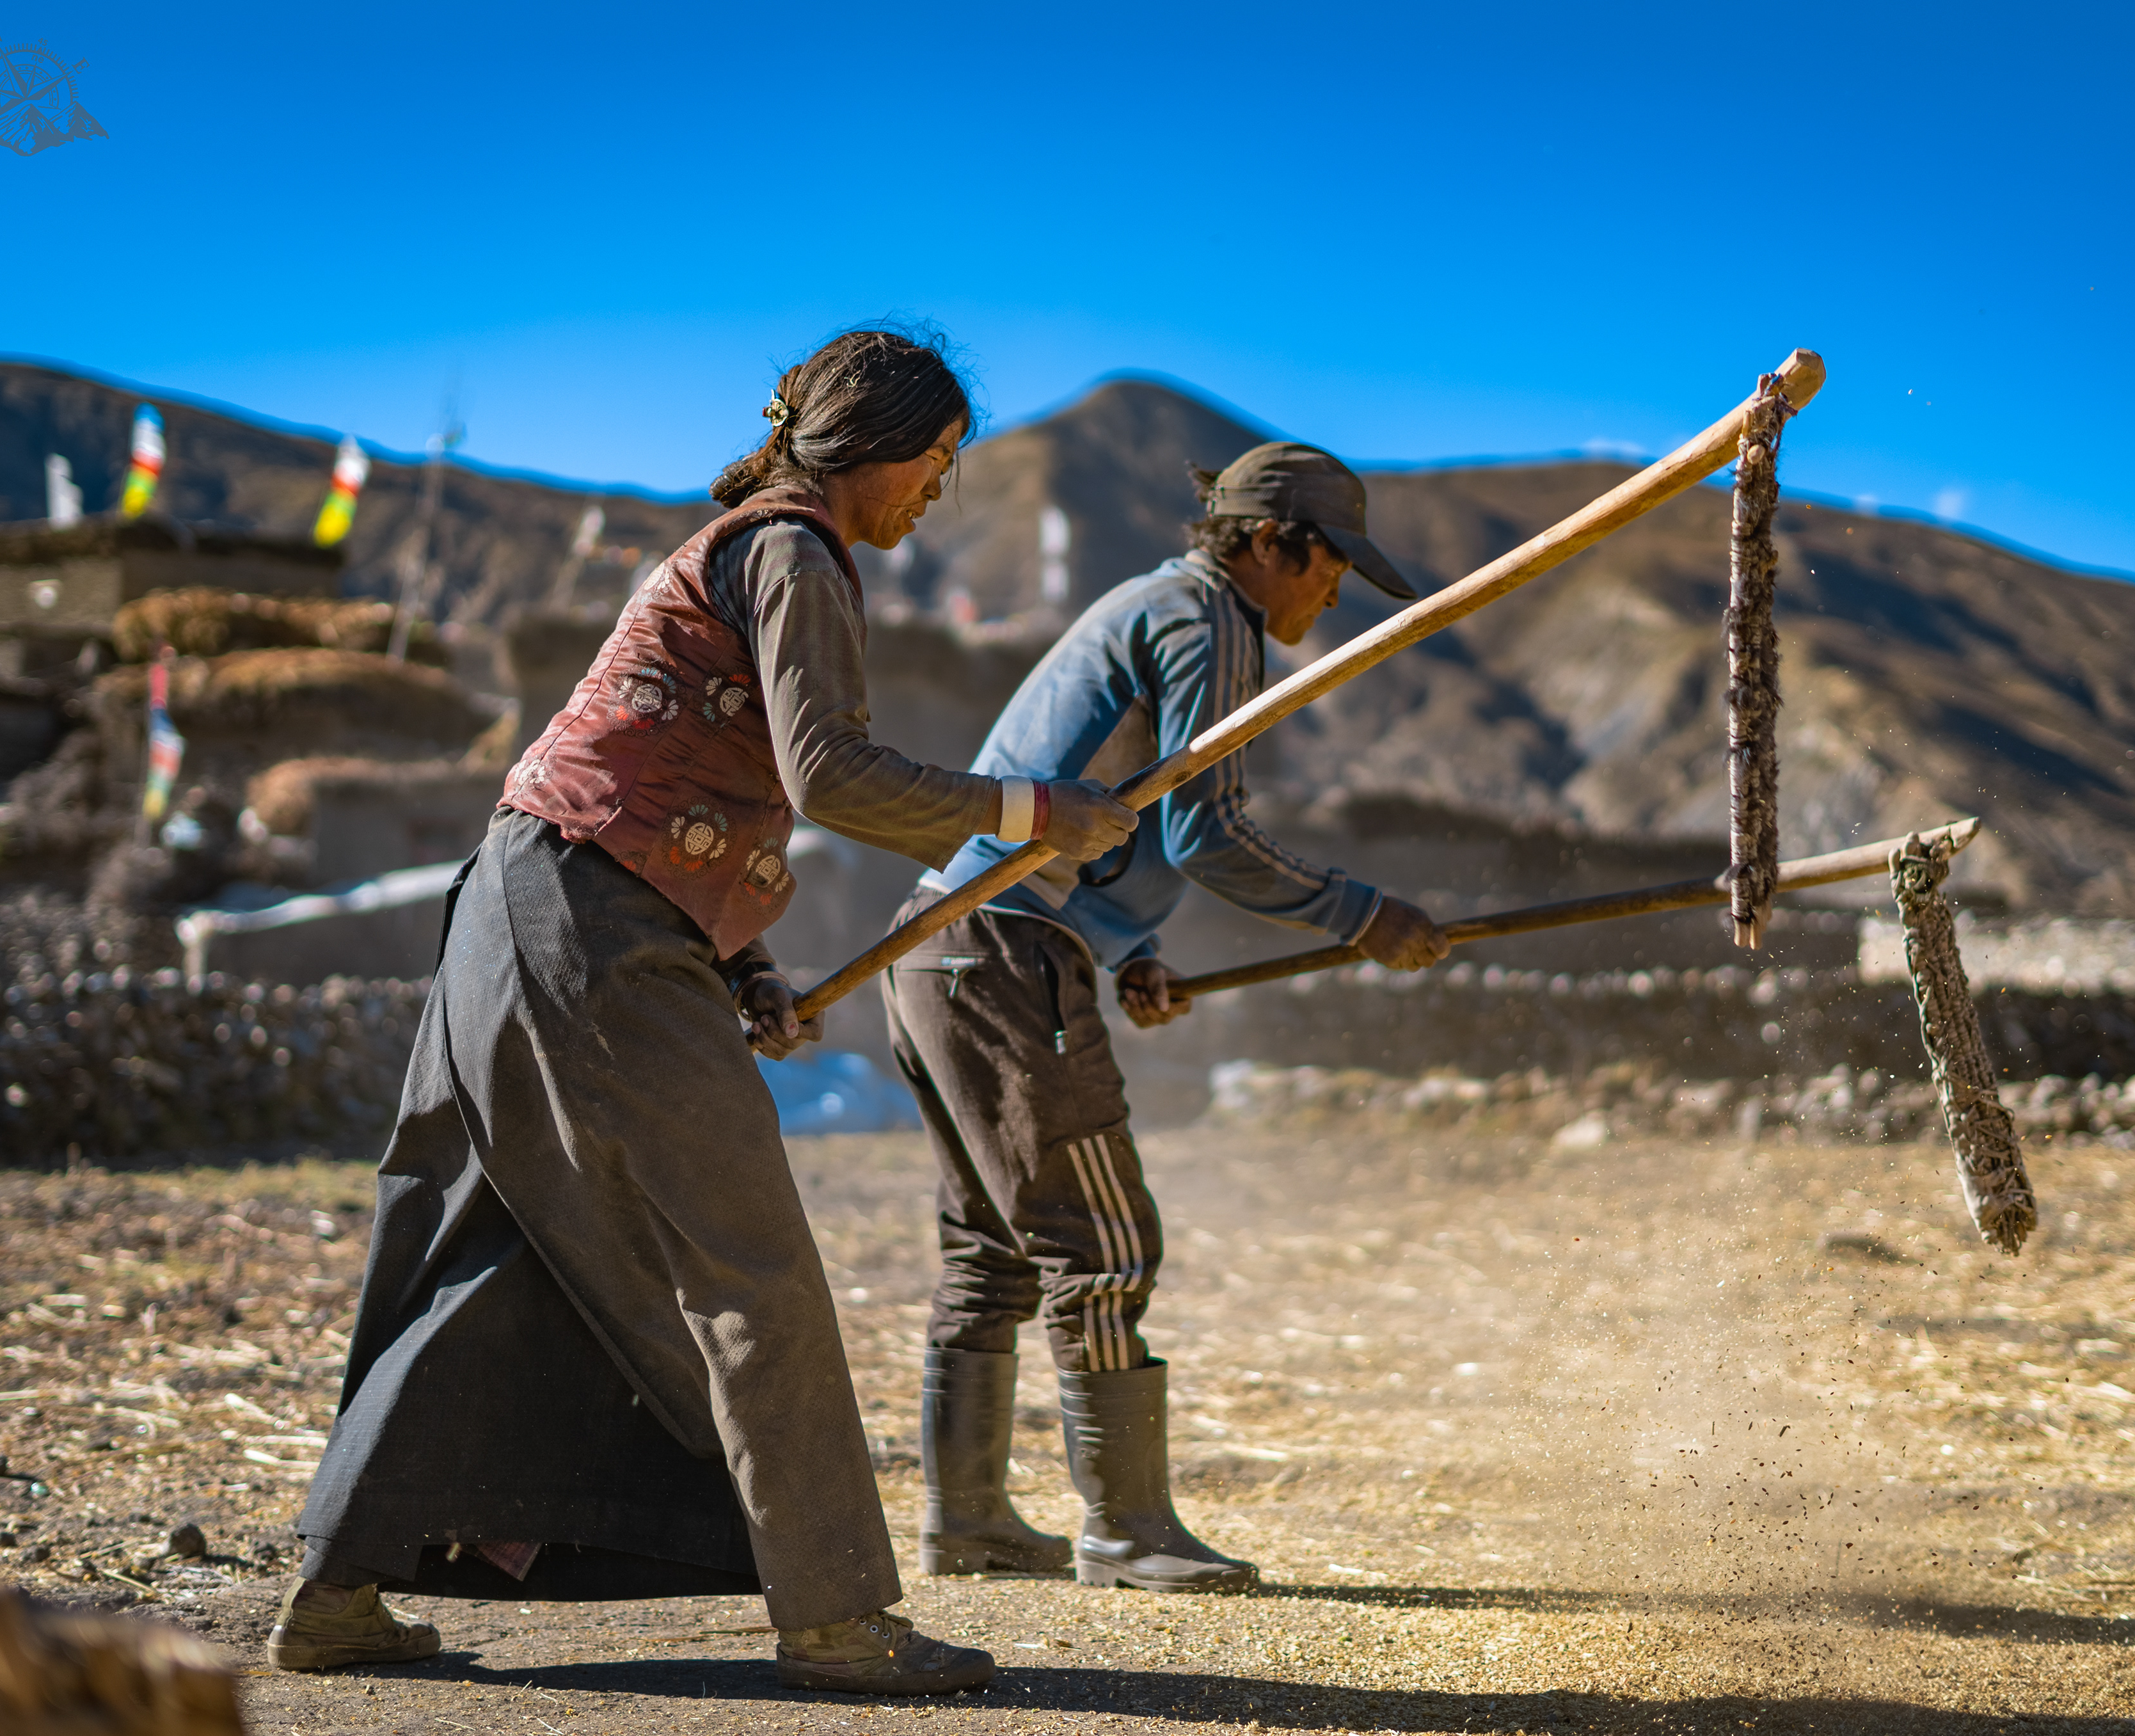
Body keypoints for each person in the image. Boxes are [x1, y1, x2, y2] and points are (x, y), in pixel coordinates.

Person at [273, 328, 1138, 1694]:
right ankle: (838, 1615)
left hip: (517, 906)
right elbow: (831, 774)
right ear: (870, 444)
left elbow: (671, 776)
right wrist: (1038, 812)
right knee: (748, 1260)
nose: (939, 489)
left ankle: (335, 1593)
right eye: (935, 458)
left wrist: (739, 966)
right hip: (587, 926)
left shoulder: (740, 548)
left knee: (496, 1250)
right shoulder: (796, 551)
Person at [882, 442, 1451, 1593]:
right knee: (1099, 1240)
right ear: (1272, 543)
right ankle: (1127, 1529)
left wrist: (1127, 949)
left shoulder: (1156, 605)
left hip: (938, 945)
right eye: (1330, 566)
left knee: (992, 1246)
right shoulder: (1212, 619)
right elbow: (1205, 831)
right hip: (1005, 946)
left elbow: (1106, 814)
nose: (1333, 594)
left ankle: (969, 1522)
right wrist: (1359, 913)